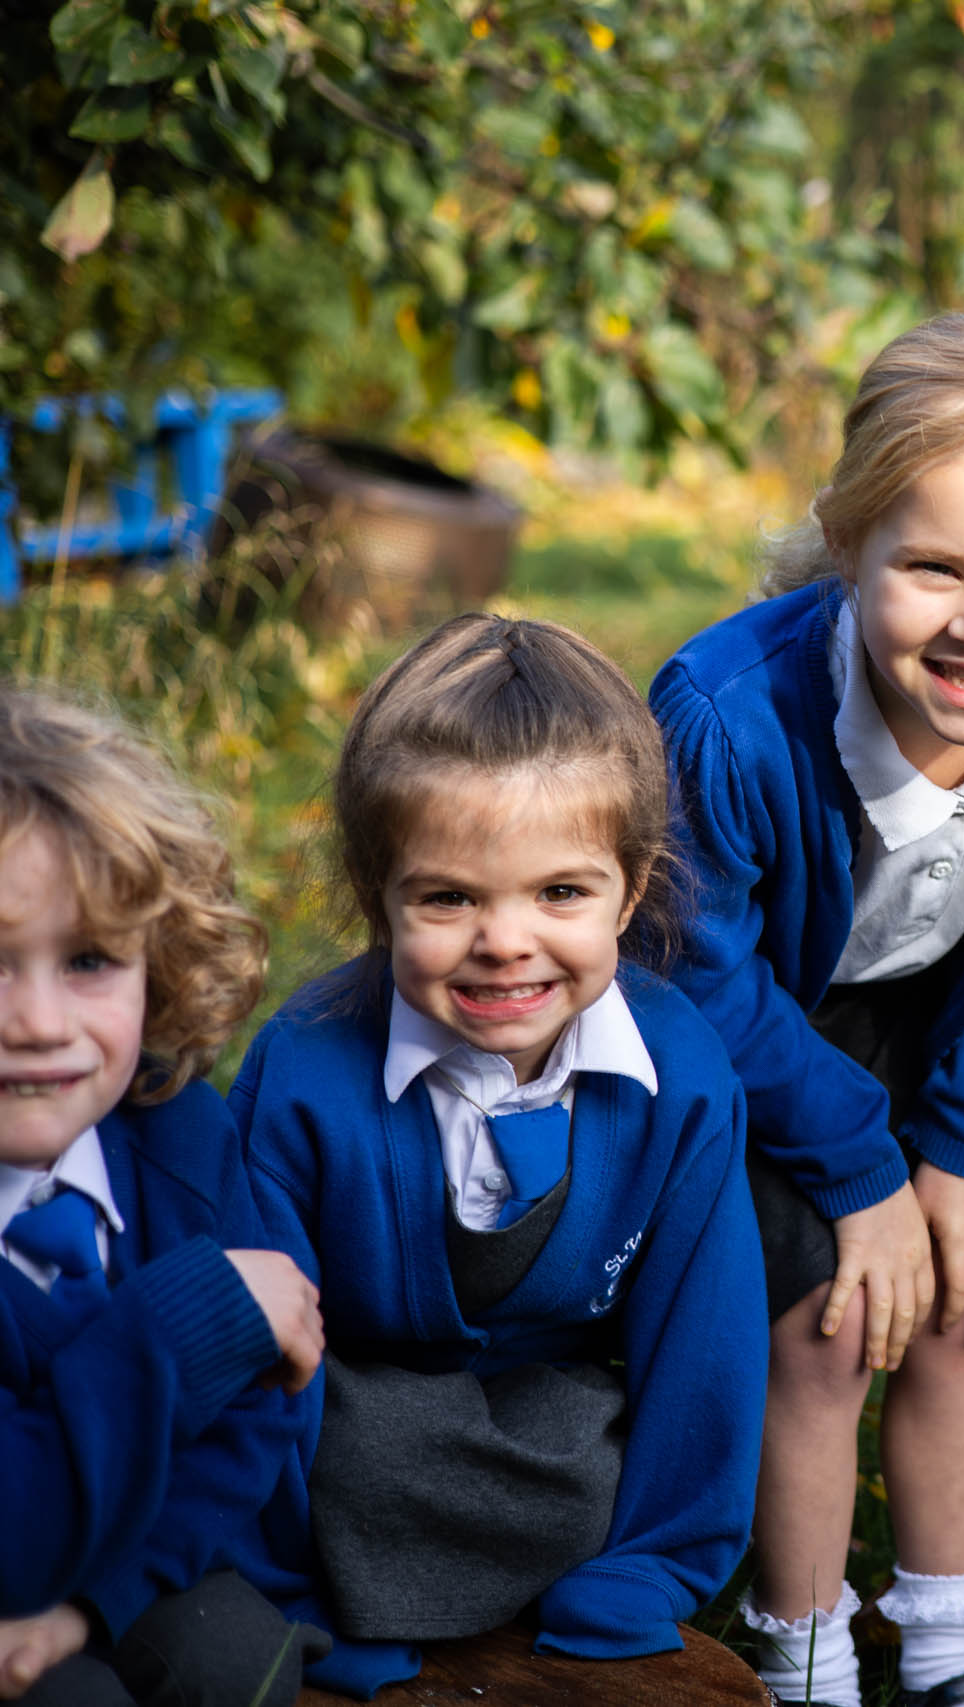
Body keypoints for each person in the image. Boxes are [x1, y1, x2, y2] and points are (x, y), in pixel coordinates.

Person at [649, 306, 964, 1707]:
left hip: (926, 1020)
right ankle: (805, 1656)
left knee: (959, 1300)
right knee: (832, 1312)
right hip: (734, 1040)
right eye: (935, 566)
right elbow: (698, 967)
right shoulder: (727, 716)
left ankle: (948, 1655)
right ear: (847, 540)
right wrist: (862, 1171)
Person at [230, 617, 763, 1699]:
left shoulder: (682, 1075)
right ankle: (348, 1592)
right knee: (350, 1443)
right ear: (377, 891)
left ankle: (560, 1575)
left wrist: (656, 1563)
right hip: (354, 1427)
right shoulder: (303, 1068)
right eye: (448, 897)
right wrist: (291, 1588)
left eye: (561, 893)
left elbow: (704, 1340)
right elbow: (261, 1348)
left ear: (631, 886)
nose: (505, 941)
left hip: (551, 1437)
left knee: (583, 1452)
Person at [0, 685, 329, 1707]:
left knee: (237, 1662)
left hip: (124, 1557)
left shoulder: (174, 1132)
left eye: (90, 960)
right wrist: (181, 1325)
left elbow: (262, 1413)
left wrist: (92, 1606)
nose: (38, 1021)